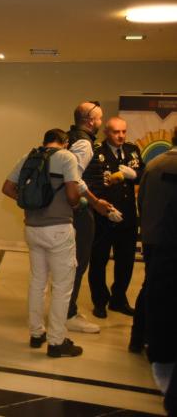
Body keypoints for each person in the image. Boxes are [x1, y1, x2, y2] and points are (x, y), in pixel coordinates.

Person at [2, 128, 83, 357]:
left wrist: (32, 201)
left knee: (37, 282)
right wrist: (79, 205)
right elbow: (72, 196)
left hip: (32, 228)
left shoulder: (28, 157)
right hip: (58, 229)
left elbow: (7, 188)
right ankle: (57, 342)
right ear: (64, 142)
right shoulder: (67, 157)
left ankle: (36, 333)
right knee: (62, 287)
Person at [65, 101, 116, 334]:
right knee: (79, 261)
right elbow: (74, 178)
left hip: (70, 209)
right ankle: (69, 314)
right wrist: (95, 202)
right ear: (89, 120)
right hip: (80, 210)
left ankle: (66, 309)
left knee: (70, 263)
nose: (101, 122)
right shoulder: (85, 143)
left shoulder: (70, 137)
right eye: (99, 118)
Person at [86, 117, 142, 318]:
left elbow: (143, 172)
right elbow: (90, 183)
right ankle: (100, 301)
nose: (121, 136)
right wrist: (103, 207)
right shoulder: (96, 151)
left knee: (126, 260)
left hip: (127, 215)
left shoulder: (132, 150)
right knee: (99, 259)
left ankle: (119, 299)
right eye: (116, 132)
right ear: (106, 133)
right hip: (104, 214)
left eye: (124, 132)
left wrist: (135, 176)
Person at [138, 129, 177, 414]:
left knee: (150, 289)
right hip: (169, 244)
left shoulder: (153, 165)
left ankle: (139, 338)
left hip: (153, 238)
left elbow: (143, 202)